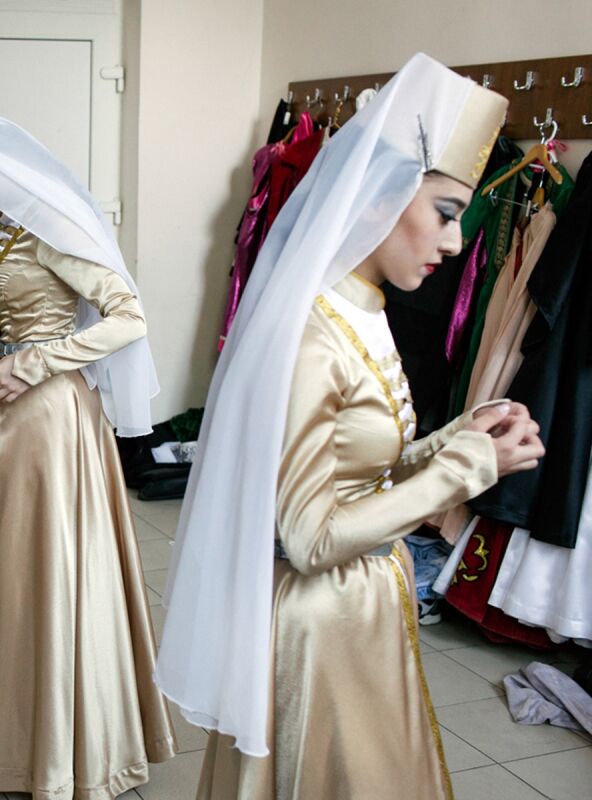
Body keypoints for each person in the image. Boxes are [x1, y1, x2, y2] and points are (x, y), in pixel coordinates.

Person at [155, 54, 544, 799]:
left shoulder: (362, 305)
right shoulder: (313, 336)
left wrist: (463, 434)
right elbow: (308, 538)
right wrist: (465, 470)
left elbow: (362, 467)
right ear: (380, 194)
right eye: (447, 213)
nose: (457, 244)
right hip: (320, 620)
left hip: (363, 602)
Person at [0, 108, 175, 799]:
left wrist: (38, 364)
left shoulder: (50, 229)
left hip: (49, 422)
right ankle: (21, 725)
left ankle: (67, 741)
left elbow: (127, 317)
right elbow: (11, 316)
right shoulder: (13, 228)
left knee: (51, 569)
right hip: (9, 421)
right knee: (15, 572)